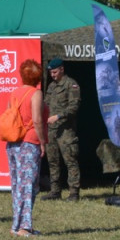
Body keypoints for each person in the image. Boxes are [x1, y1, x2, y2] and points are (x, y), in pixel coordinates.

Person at [6, 59, 48, 237]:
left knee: (17, 184)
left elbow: (9, 114)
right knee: (29, 185)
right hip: (30, 142)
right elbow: (37, 120)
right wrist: (43, 141)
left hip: (13, 141)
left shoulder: (15, 93)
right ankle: (25, 226)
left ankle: (17, 225)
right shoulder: (35, 93)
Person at [42, 58, 81, 202]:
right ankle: (55, 191)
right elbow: (46, 104)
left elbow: (74, 107)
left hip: (66, 130)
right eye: (51, 72)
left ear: (62, 70)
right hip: (51, 130)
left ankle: (73, 193)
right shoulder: (51, 87)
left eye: (55, 72)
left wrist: (58, 116)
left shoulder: (71, 85)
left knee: (70, 161)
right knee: (53, 161)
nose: (52, 75)